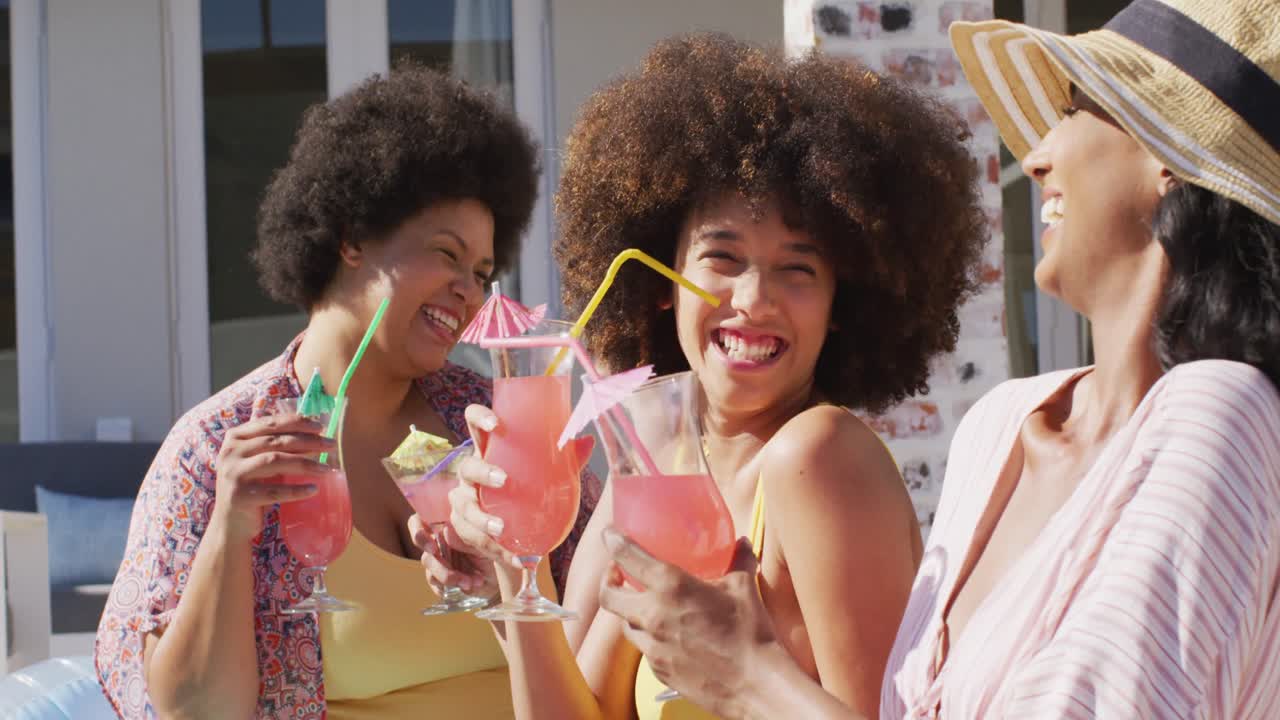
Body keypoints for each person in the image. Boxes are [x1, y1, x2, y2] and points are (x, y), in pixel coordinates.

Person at [594, 1, 1280, 718]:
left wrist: (750, 679)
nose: (1038, 152)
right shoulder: (997, 427)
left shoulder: (1221, 416)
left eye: (1076, 107)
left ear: (1167, 160)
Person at [417, 33, 988, 719]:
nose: (753, 298)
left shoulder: (819, 457)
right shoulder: (653, 461)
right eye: (723, 258)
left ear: (843, 303)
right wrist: (512, 574)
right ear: (665, 282)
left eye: (797, 269)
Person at [95, 64, 601, 719]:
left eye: (481, 271)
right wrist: (230, 530)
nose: (469, 290)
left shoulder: (494, 421)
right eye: (447, 254)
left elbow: (603, 650)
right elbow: (194, 710)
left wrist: (517, 565)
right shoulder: (218, 446)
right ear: (353, 238)